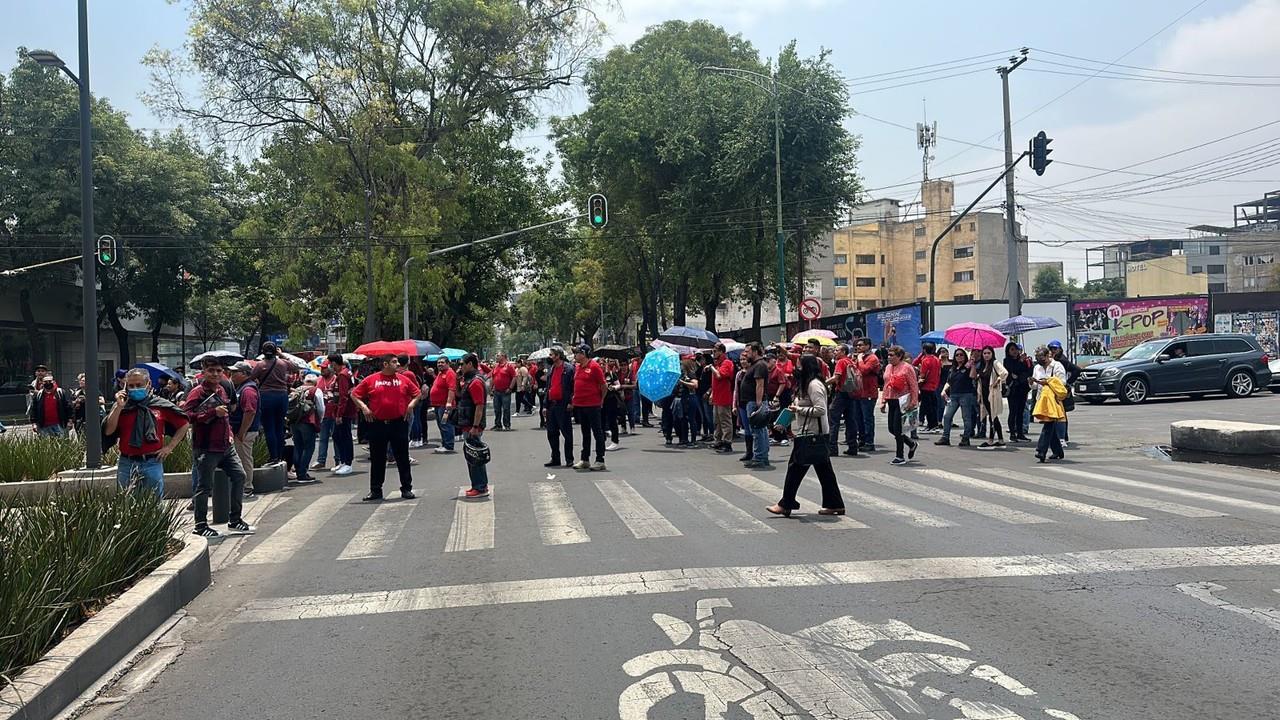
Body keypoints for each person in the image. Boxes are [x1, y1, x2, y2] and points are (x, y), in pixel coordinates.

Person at [766, 354, 845, 518]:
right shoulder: (805, 385)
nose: (796, 369)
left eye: (799, 366)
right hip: (808, 432)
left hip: (812, 434)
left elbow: (821, 409)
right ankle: (834, 504)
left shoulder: (814, 385)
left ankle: (786, 503)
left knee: (795, 467)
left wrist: (799, 410)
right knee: (824, 471)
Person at [182, 360, 253, 538]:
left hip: (225, 445)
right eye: (211, 370)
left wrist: (229, 433)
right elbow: (188, 416)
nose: (215, 374)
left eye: (218, 371)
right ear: (204, 372)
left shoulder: (222, 389)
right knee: (204, 486)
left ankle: (235, 519)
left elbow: (226, 415)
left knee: (240, 476)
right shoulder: (197, 392)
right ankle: (200, 525)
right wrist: (213, 413)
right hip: (206, 447)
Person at [104, 368, 189, 497]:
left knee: (154, 504)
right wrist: (119, 407)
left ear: (148, 384)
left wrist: (169, 447)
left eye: (139, 385)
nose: (135, 388)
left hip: (152, 462)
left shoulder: (160, 405)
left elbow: (184, 424)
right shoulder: (122, 406)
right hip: (127, 463)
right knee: (125, 504)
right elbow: (109, 431)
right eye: (131, 386)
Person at [351, 354, 420, 501]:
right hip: (378, 423)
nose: (397, 364)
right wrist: (364, 408)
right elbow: (354, 394)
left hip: (399, 422)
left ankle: (406, 488)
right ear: (385, 364)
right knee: (377, 458)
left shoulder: (403, 379)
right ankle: (376, 490)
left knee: (402, 457)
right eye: (394, 362)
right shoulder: (372, 379)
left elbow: (417, 394)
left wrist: (410, 405)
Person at [250, 341, 291, 463]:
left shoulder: (260, 365)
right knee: (279, 427)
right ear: (275, 351)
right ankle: (280, 455)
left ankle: (273, 456)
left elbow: (251, 377)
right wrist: (282, 354)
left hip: (266, 396)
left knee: (269, 428)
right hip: (282, 396)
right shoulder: (282, 363)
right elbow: (295, 366)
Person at [879, 345, 921, 465]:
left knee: (898, 430)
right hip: (891, 400)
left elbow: (913, 386)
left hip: (902, 401)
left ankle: (900, 456)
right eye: (888, 355)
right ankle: (911, 443)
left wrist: (913, 402)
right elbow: (886, 385)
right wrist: (883, 401)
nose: (889, 357)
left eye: (892, 355)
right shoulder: (887, 367)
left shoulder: (907, 368)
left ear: (900, 356)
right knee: (891, 428)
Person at [456, 353, 490, 498]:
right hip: (467, 424)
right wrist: (458, 380)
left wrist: (475, 426)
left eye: (462, 364)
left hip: (472, 425)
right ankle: (479, 484)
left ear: (470, 364)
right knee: (472, 455)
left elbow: (479, 406)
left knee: (474, 456)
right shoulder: (468, 380)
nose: (460, 367)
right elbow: (459, 395)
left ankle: (480, 487)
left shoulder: (475, 382)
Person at [571, 344, 608, 471]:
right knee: (585, 433)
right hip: (580, 405)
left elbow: (604, 386)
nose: (575, 355)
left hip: (593, 405)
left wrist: (601, 400)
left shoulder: (594, 366)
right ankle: (585, 459)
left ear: (584, 354)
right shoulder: (578, 367)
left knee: (597, 432)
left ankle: (600, 460)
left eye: (577, 353)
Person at [228, 361, 261, 496]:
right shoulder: (241, 388)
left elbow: (250, 412)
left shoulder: (247, 390)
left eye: (235, 372)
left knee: (244, 459)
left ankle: (247, 487)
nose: (232, 375)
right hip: (240, 431)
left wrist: (242, 432)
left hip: (245, 432)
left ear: (244, 374)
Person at [1031, 346, 1068, 463]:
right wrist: (1032, 382)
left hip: (1054, 400)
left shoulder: (1057, 366)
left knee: (1048, 424)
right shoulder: (1037, 367)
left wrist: (1047, 381)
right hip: (1042, 400)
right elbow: (1035, 387)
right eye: (1037, 357)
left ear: (1048, 356)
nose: (1039, 360)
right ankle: (1058, 451)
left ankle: (1041, 450)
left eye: (1041, 357)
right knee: (1050, 425)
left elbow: (1062, 383)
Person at [936, 348, 977, 447]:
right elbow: (949, 381)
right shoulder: (953, 368)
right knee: (947, 416)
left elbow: (973, 376)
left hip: (965, 394)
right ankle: (945, 437)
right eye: (957, 355)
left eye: (961, 355)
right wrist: (944, 390)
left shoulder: (967, 367)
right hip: (953, 395)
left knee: (966, 417)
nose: (959, 357)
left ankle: (966, 438)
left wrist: (972, 365)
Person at [743, 342, 773, 470]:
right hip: (752, 401)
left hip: (755, 402)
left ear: (755, 352)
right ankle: (761, 456)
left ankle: (759, 457)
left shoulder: (760, 365)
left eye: (748, 351)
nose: (746, 354)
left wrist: (758, 403)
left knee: (758, 430)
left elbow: (759, 385)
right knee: (760, 430)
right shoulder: (755, 365)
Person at [289, 375, 325, 484]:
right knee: (309, 447)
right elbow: (321, 408)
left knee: (298, 446)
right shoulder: (316, 390)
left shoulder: (297, 390)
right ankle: (302, 473)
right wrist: (320, 419)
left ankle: (299, 471)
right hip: (308, 422)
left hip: (294, 421)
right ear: (315, 383)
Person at [543, 347, 575, 467]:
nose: (550, 357)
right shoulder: (551, 369)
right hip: (552, 404)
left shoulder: (569, 369)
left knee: (567, 433)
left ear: (558, 355)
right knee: (551, 433)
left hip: (563, 404)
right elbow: (548, 387)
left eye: (552, 355)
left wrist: (571, 402)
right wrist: (545, 405)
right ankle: (555, 458)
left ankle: (569, 458)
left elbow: (573, 387)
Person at [326, 354, 357, 476]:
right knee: (338, 435)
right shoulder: (346, 373)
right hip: (344, 410)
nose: (330, 366)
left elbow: (343, 396)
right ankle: (344, 461)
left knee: (344, 436)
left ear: (334, 363)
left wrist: (339, 414)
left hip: (344, 411)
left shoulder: (343, 375)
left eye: (330, 363)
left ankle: (347, 462)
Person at [827, 344, 859, 457]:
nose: (835, 352)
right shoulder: (851, 362)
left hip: (841, 393)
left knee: (833, 420)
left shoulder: (841, 362)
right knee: (850, 421)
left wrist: (823, 383)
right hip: (851, 393)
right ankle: (853, 446)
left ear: (844, 352)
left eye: (837, 350)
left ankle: (832, 448)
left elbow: (836, 378)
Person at [974, 346, 1009, 449]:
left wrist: (998, 381)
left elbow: (1004, 373)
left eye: (988, 353)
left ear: (992, 354)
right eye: (984, 353)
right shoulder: (982, 365)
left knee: (993, 416)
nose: (986, 355)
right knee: (992, 416)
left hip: (992, 394)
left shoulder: (995, 363)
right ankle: (1001, 440)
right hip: (984, 394)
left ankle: (990, 440)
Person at [1048, 340, 1080, 445]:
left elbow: (1076, 370)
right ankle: (1059, 436)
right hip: (1054, 389)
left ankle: (1063, 437)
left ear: (1060, 349)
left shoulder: (1062, 360)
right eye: (1051, 349)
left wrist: (1068, 383)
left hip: (1060, 390)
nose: (1053, 351)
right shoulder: (1052, 360)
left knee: (1061, 414)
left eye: (1055, 349)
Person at [851, 338, 881, 452]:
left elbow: (864, 370)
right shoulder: (860, 358)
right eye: (857, 346)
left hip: (868, 392)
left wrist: (859, 360)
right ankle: (861, 440)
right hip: (858, 392)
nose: (858, 347)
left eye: (860, 345)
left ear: (868, 346)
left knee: (867, 418)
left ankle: (869, 442)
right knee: (858, 418)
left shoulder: (872, 358)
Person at [708, 343, 737, 454]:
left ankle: (727, 442)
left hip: (724, 397)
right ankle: (718, 440)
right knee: (717, 421)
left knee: (725, 421)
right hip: (717, 396)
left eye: (715, 351)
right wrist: (712, 394)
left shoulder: (727, 363)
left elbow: (720, 375)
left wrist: (711, 368)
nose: (713, 353)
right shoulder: (717, 364)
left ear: (721, 351)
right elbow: (714, 382)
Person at [1002, 343, 1033, 443]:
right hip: (1013, 390)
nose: (1014, 351)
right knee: (1013, 412)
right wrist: (1019, 364)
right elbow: (1012, 370)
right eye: (1012, 349)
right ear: (1008, 351)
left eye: (1016, 349)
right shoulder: (1007, 361)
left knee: (1021, 412)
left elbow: (1028, 371)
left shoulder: (1024, 360)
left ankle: (1020, 433)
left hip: (1022, 388)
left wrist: (1025, 363)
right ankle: (1012, 433)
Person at [429, 356, 458, 455]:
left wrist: (449, 402)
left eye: (442, 362)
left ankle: (449, 446)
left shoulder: (450, 373)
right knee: (441, 425)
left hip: (444, 405)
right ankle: (445, 444)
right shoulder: (441, 373)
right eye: (438, 363)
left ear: (448, 363)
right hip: (438, 405)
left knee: (446, 424)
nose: (440, 364)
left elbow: (452, 388)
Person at [913, 343, 942, 433]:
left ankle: (930, 425)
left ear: (924, 350)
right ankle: (934, 424)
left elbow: (921, 373)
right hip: (934, 385)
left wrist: (919, 381)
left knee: (927, 407)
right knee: (933, 406)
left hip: (926, 386)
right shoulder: (937, 359)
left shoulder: (926, 360)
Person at [71, 372, 105, 436]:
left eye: (84, 381)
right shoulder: (76, 392)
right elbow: (72, 404)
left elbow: (102, 401)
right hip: (80, 418)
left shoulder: (94, 390)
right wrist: (77, 402)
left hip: (93, 418)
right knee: (81, 438)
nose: (81, 382)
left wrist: (87, 399)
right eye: (80, 381)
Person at [490, 352, 516, 430]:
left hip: (505, 391)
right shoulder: (495, 366)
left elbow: (514, 377)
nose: (496, 357)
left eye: (498, 356)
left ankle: (507, 425)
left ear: (503, 356)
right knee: (497, 409)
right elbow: (493, 377)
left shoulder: (509, 366)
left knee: (506, 409)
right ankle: (498, 425)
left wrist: (510, 388)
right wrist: (491, 389)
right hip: (496, 391)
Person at [602, 358, 623, 451]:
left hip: (611, 400)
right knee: (601, 421)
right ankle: (602, 440)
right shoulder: (597, 375)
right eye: (600, 364)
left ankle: (615, 441)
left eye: (603, 364)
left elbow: (618, 385)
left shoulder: (611, 374)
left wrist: (613, 387)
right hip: (600, 400)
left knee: (612, 420)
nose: (602, 366)